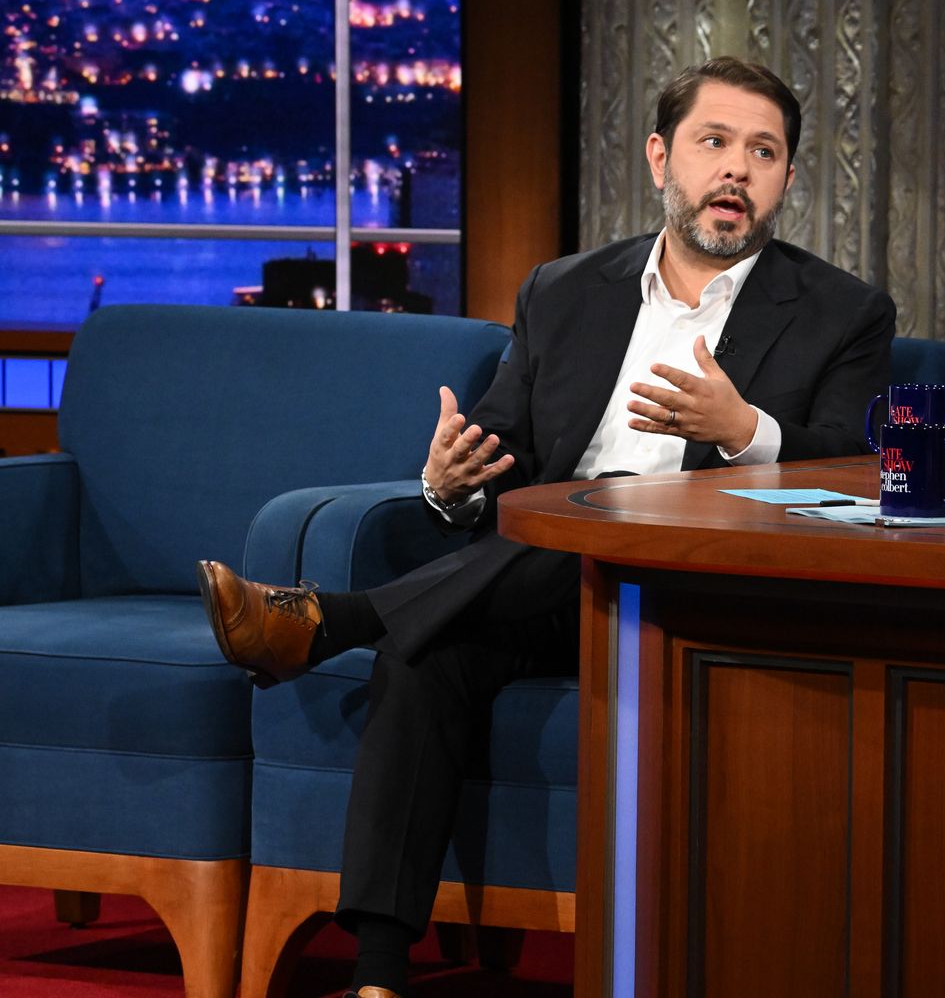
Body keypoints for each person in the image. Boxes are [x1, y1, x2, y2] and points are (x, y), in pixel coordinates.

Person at [195, 57, 895, 998]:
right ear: (660, 158)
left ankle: (340, 618)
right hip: (546, 584)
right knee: (428, 648)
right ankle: (377, 976)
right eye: (713, 143)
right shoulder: (566, 290)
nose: (736, 170)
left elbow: (857, 472)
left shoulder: (843, 312)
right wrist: (449, 486)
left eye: (762, 153)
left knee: (563, 543)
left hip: (701, 590)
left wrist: (746, 433)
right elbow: (504, 461)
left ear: (786, 179)